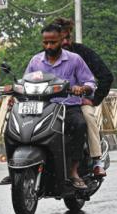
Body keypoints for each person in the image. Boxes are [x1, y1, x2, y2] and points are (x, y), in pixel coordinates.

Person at [25, 23, 96, 189]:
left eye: (53, 42)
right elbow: (26, 81)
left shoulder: (74, 59)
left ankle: (74, 171)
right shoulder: (35, 61)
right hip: (42, 108)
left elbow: (90, 81)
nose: (49, 46)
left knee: (79, 125)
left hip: (67, 107)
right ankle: (21, 166)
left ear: (61, 40)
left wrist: (83, 87)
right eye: (45, 43)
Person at [54, 17, 113, 177]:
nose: (65, 41)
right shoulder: (44, 56)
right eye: (61, 38)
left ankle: (96, 160)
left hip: (79, 101)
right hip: (53, 102)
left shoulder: (82, 52)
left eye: (68, 37)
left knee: (88, 117)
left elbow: (106, 76)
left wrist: (94, 100)